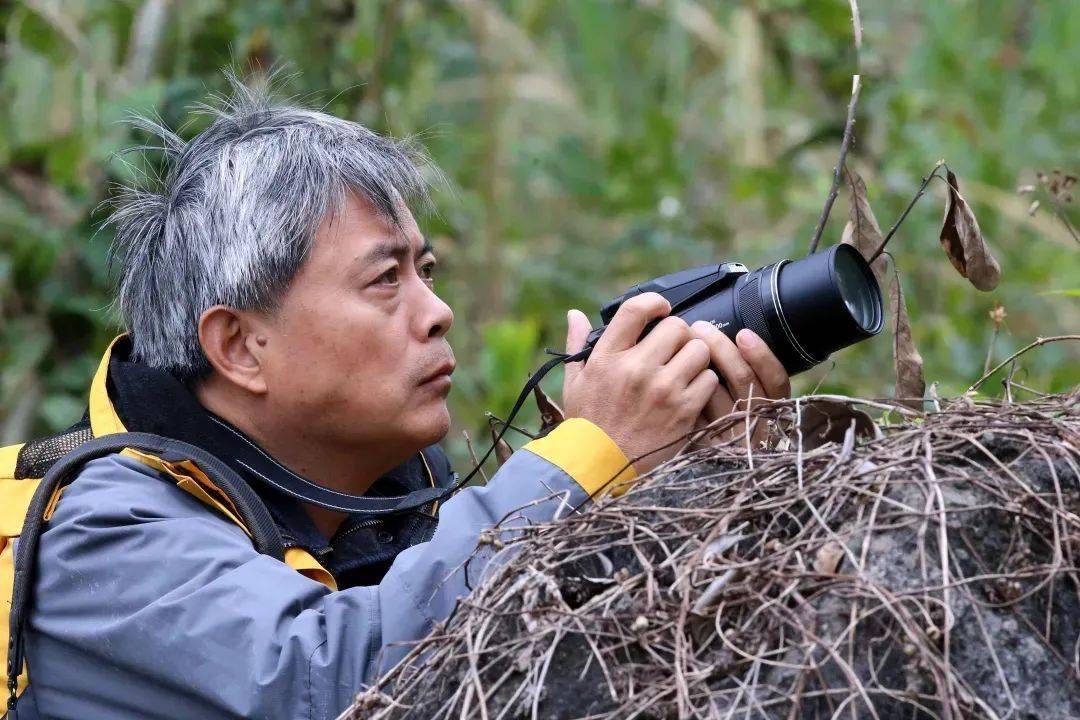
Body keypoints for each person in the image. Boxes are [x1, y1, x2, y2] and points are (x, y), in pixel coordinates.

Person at [10, 79, 790, 719]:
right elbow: (335, 686)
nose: (435, 310)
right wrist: (586, 458)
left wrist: (689, 477)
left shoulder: (373, 511)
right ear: (241, 347)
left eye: (428, 269)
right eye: (386, 280)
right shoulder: (95, 534)